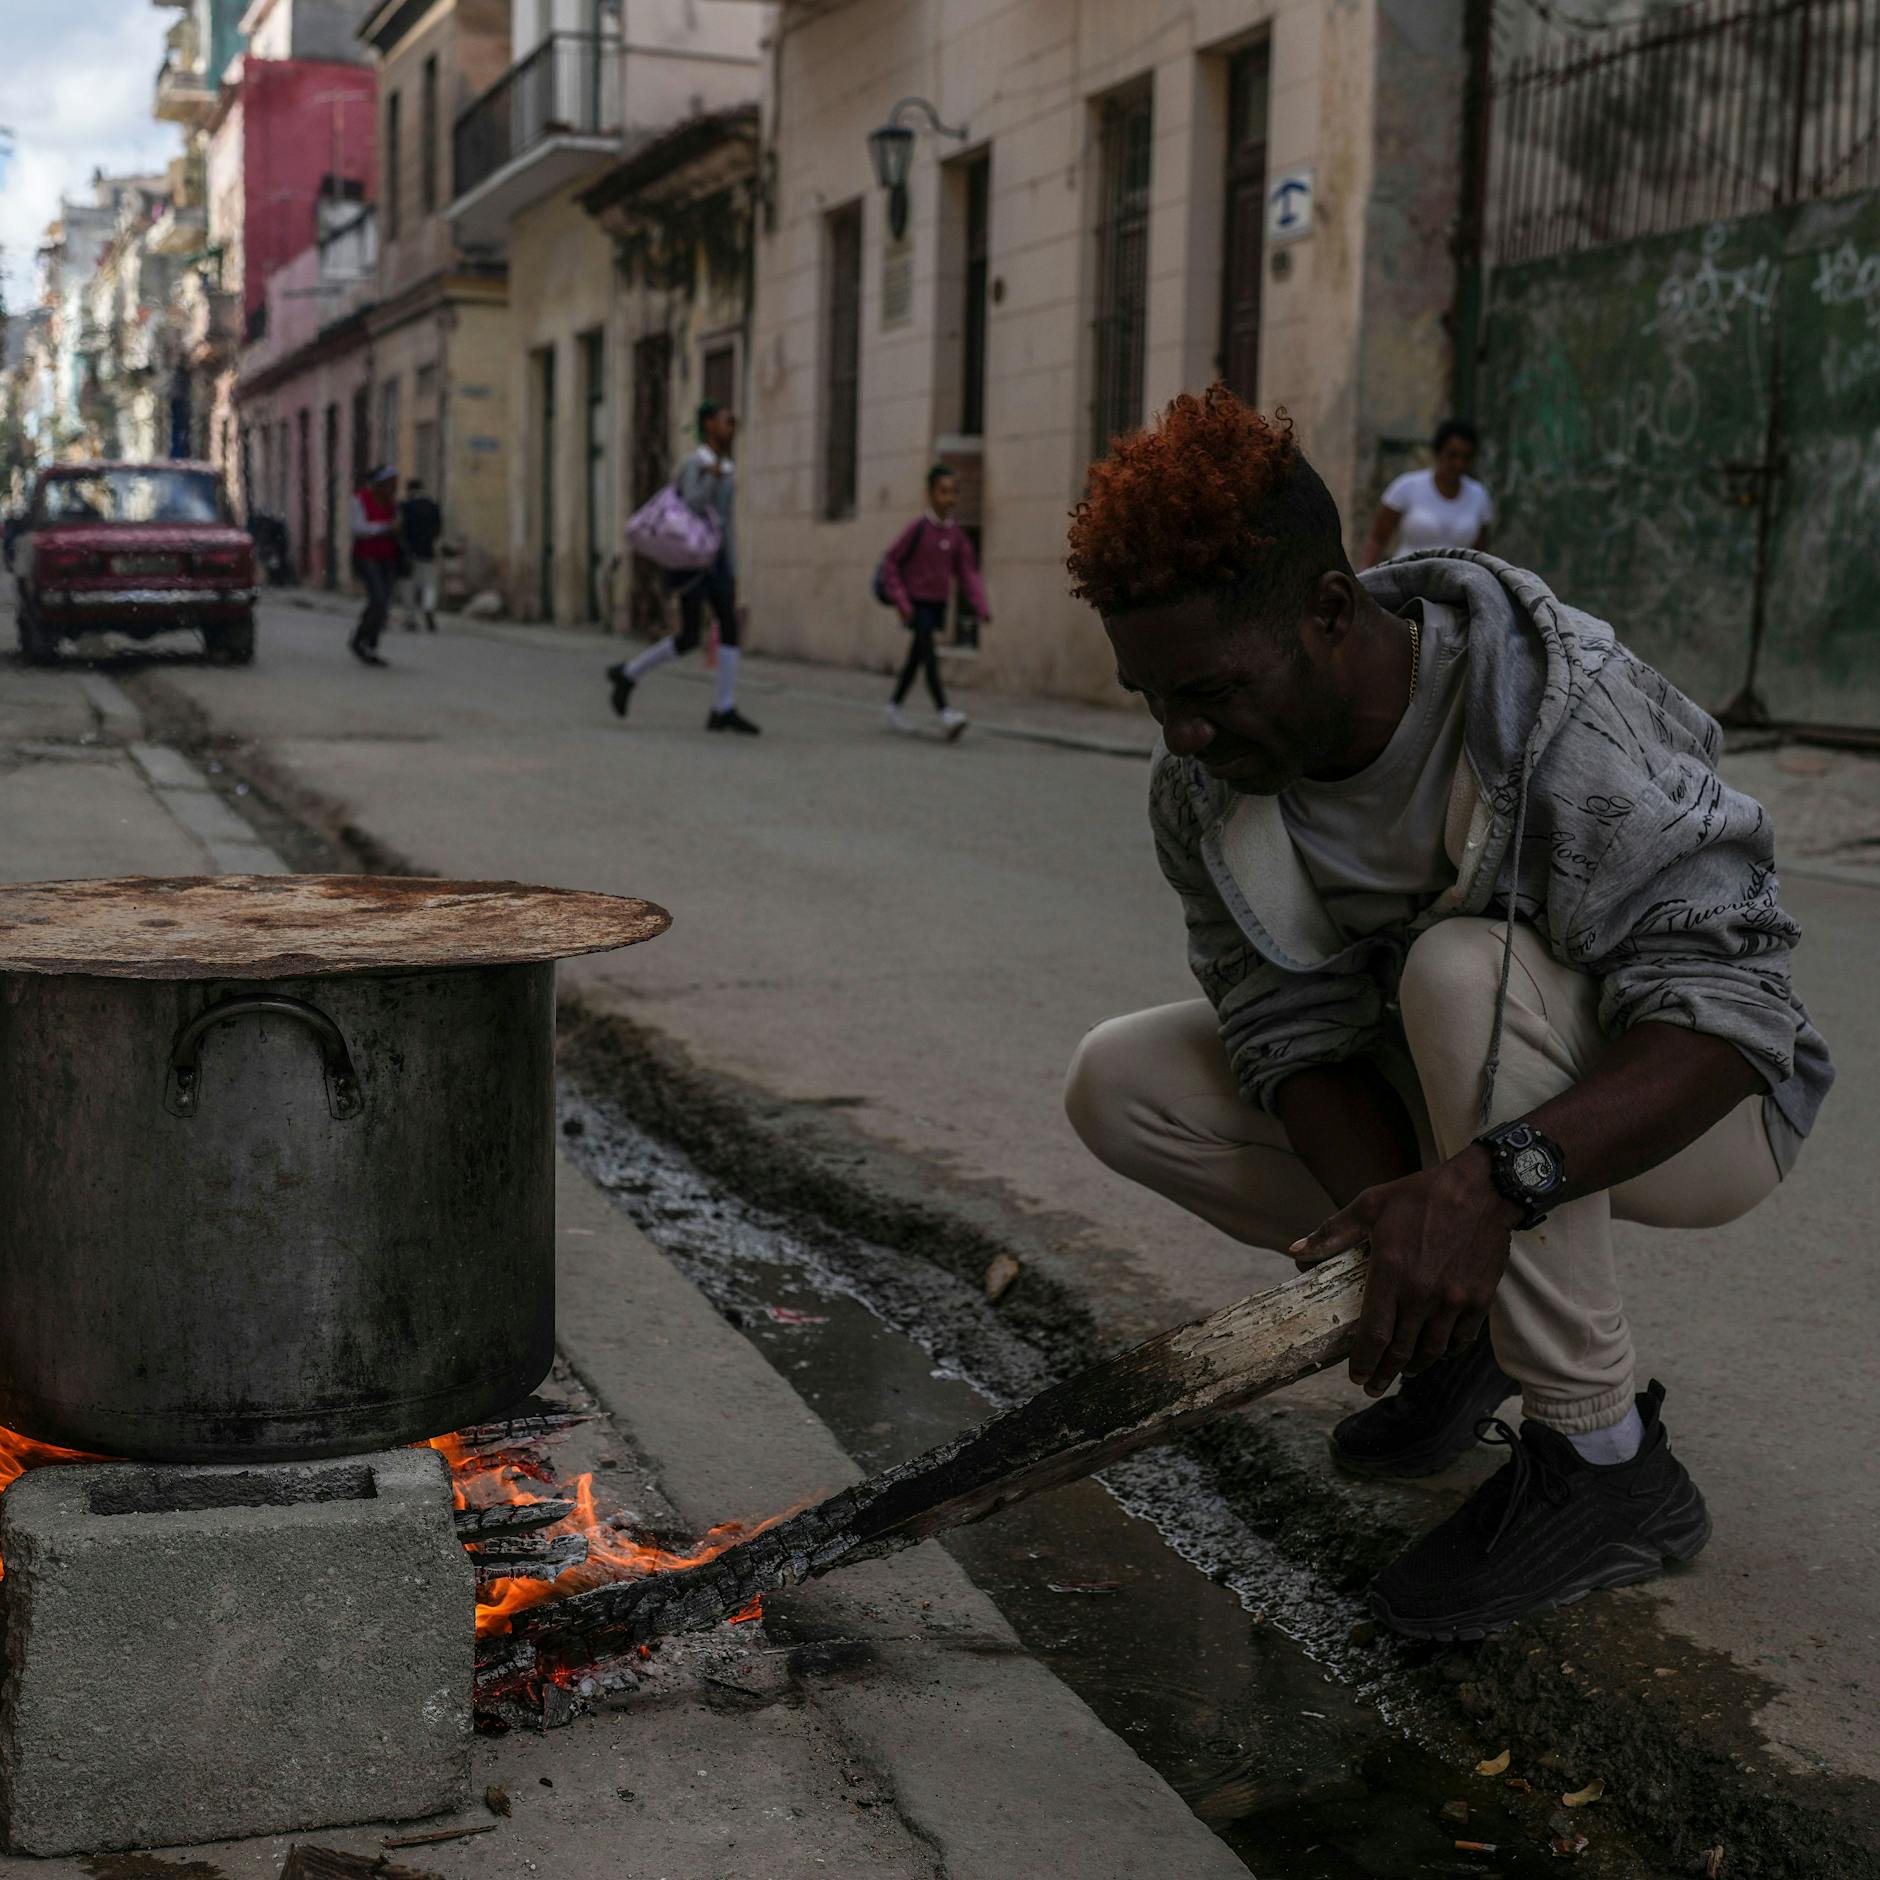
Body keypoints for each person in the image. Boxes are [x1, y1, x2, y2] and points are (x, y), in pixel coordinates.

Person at [1060, 386, 1831, 1642]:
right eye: (1151, 697)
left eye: (1206, 689)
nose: (1183, 731)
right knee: (1118, 1080)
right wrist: (1415, 1239)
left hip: (1697, 1116)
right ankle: (1464, 1329)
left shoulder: (1559, 710)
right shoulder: (1201, 786)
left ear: (1326, 610)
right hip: (1467, 1109)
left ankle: (1606, 1461)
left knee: (1458, 968)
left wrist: (1485, 1186)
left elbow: (1730, 1011)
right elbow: (1283, 1025)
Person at [605, 401, 758, 735]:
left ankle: (724, 706)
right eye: (725, 421)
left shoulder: (727, 466)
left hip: (716, 560)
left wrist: (732, 565)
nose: (731, 427)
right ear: (709, 425)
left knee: (727, 626)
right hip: (692, 559)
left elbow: (726, 522)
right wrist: (712, 478)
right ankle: (628, 673)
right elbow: (692, 504)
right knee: (690, 635)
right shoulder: (696, 463)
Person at [879, 464, 987, 741]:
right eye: (943, 491)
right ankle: (944, 712)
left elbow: (967, 572)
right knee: (929, 656)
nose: (949, 498)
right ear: (930, 494)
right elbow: (891, 562)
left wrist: (980, 605)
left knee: (916, 658)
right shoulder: (918, 529)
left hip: (938, 604)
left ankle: (893, 708)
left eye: (953, 492)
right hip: (916, 604)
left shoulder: (956, 535)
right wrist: (902, 602)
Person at [1360, 419, 1493, 568]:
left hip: (1458, 579)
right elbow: (1378, 539)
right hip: (1408, 576)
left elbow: (1480, 553)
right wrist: (1364, 576)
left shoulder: (1478, 495)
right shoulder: (1406, 487)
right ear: (1437, 452)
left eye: (1466, 457)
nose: (1459, 464)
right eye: (1452, 455)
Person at [348, 465, 400, 667]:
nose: (393, 487)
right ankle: (361, 638)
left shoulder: (392, 504)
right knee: (377, 598)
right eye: (390, 483)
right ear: (379, 484)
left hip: (388, 557)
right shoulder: (361, 499)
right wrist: (386, 527)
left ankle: (370, 643)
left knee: (384, 603)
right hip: (367, 556)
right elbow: (359, 528)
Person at [399, 478, 443, 632]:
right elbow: (438, 530)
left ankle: (410, 617)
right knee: (429, 584)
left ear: (409, 490)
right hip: (428, 551)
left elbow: (400, 528)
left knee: (409, 585)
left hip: (409, 552)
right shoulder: (433, 506)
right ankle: (428, 608)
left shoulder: (405, 506)